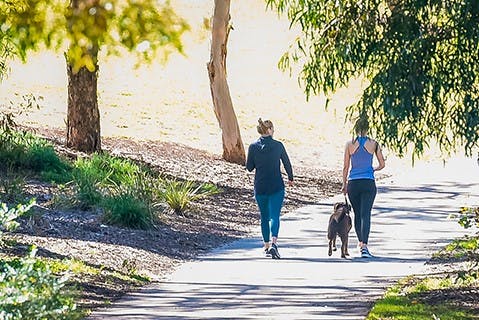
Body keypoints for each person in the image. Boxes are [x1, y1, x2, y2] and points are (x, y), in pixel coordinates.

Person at [246, 118, 294, 259]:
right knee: (275, 216)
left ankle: (266, 246)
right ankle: (274, 243)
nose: (274, 131)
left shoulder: (253, 147)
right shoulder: (278, 145)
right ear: (269, 130)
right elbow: (286, 162)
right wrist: (290, 177)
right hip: (276, 186)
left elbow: (249, 168)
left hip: (260, 186)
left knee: (264, 217)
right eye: (273, 129)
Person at [341, 116, 385, 258]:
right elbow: (382, 164)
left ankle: (360, 243)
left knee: (357, 214)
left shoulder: (349, 144)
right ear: (367, 128)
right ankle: (364, 246)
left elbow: (346, 167)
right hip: (368, 182)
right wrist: (373, 169)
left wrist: (344, 184)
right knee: (366, 214)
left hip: (353, 182)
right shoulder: (374, 144)